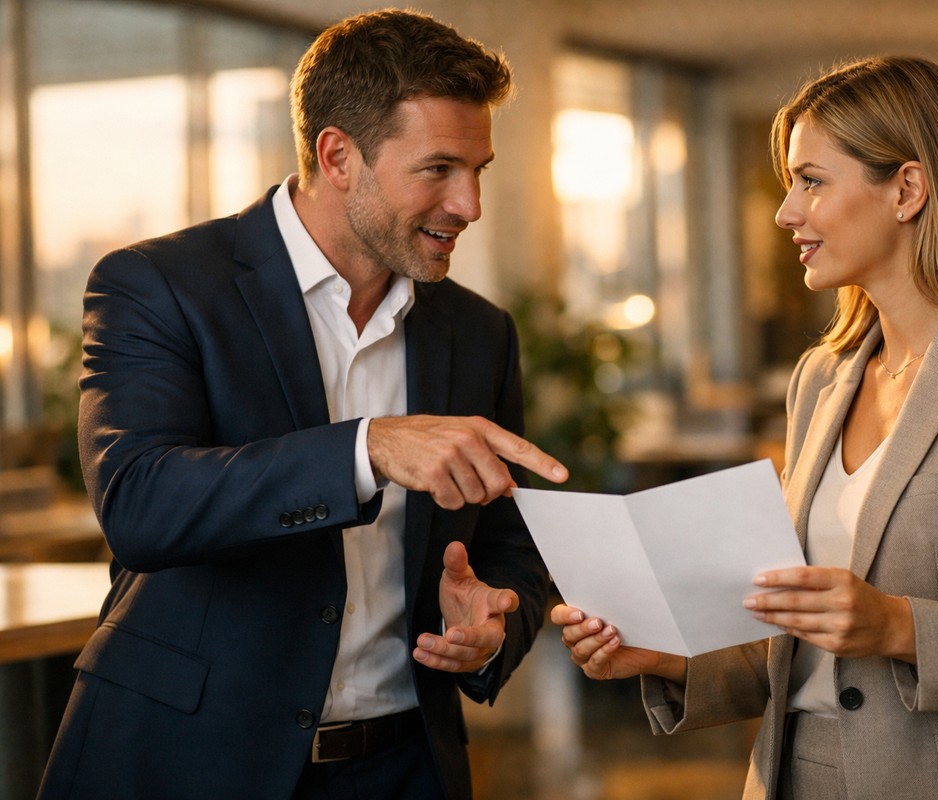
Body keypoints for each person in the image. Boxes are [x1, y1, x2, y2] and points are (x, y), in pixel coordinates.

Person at [552, 56, 938, 799]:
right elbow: (805, 646)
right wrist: (668, 657)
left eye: (811, 181)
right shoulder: (821, 379)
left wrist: (901, 627)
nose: (785, 213)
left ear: (906, 188)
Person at [39, 9, 567, 800]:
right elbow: (140, 502)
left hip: (406, 768)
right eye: (438, 169)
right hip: (187, 763)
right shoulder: (158, 286)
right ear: (337, 155)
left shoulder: (479, 331)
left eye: (479, 170)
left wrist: (494, 628)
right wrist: (366, 449)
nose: (470, 205)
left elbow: (513, 542)